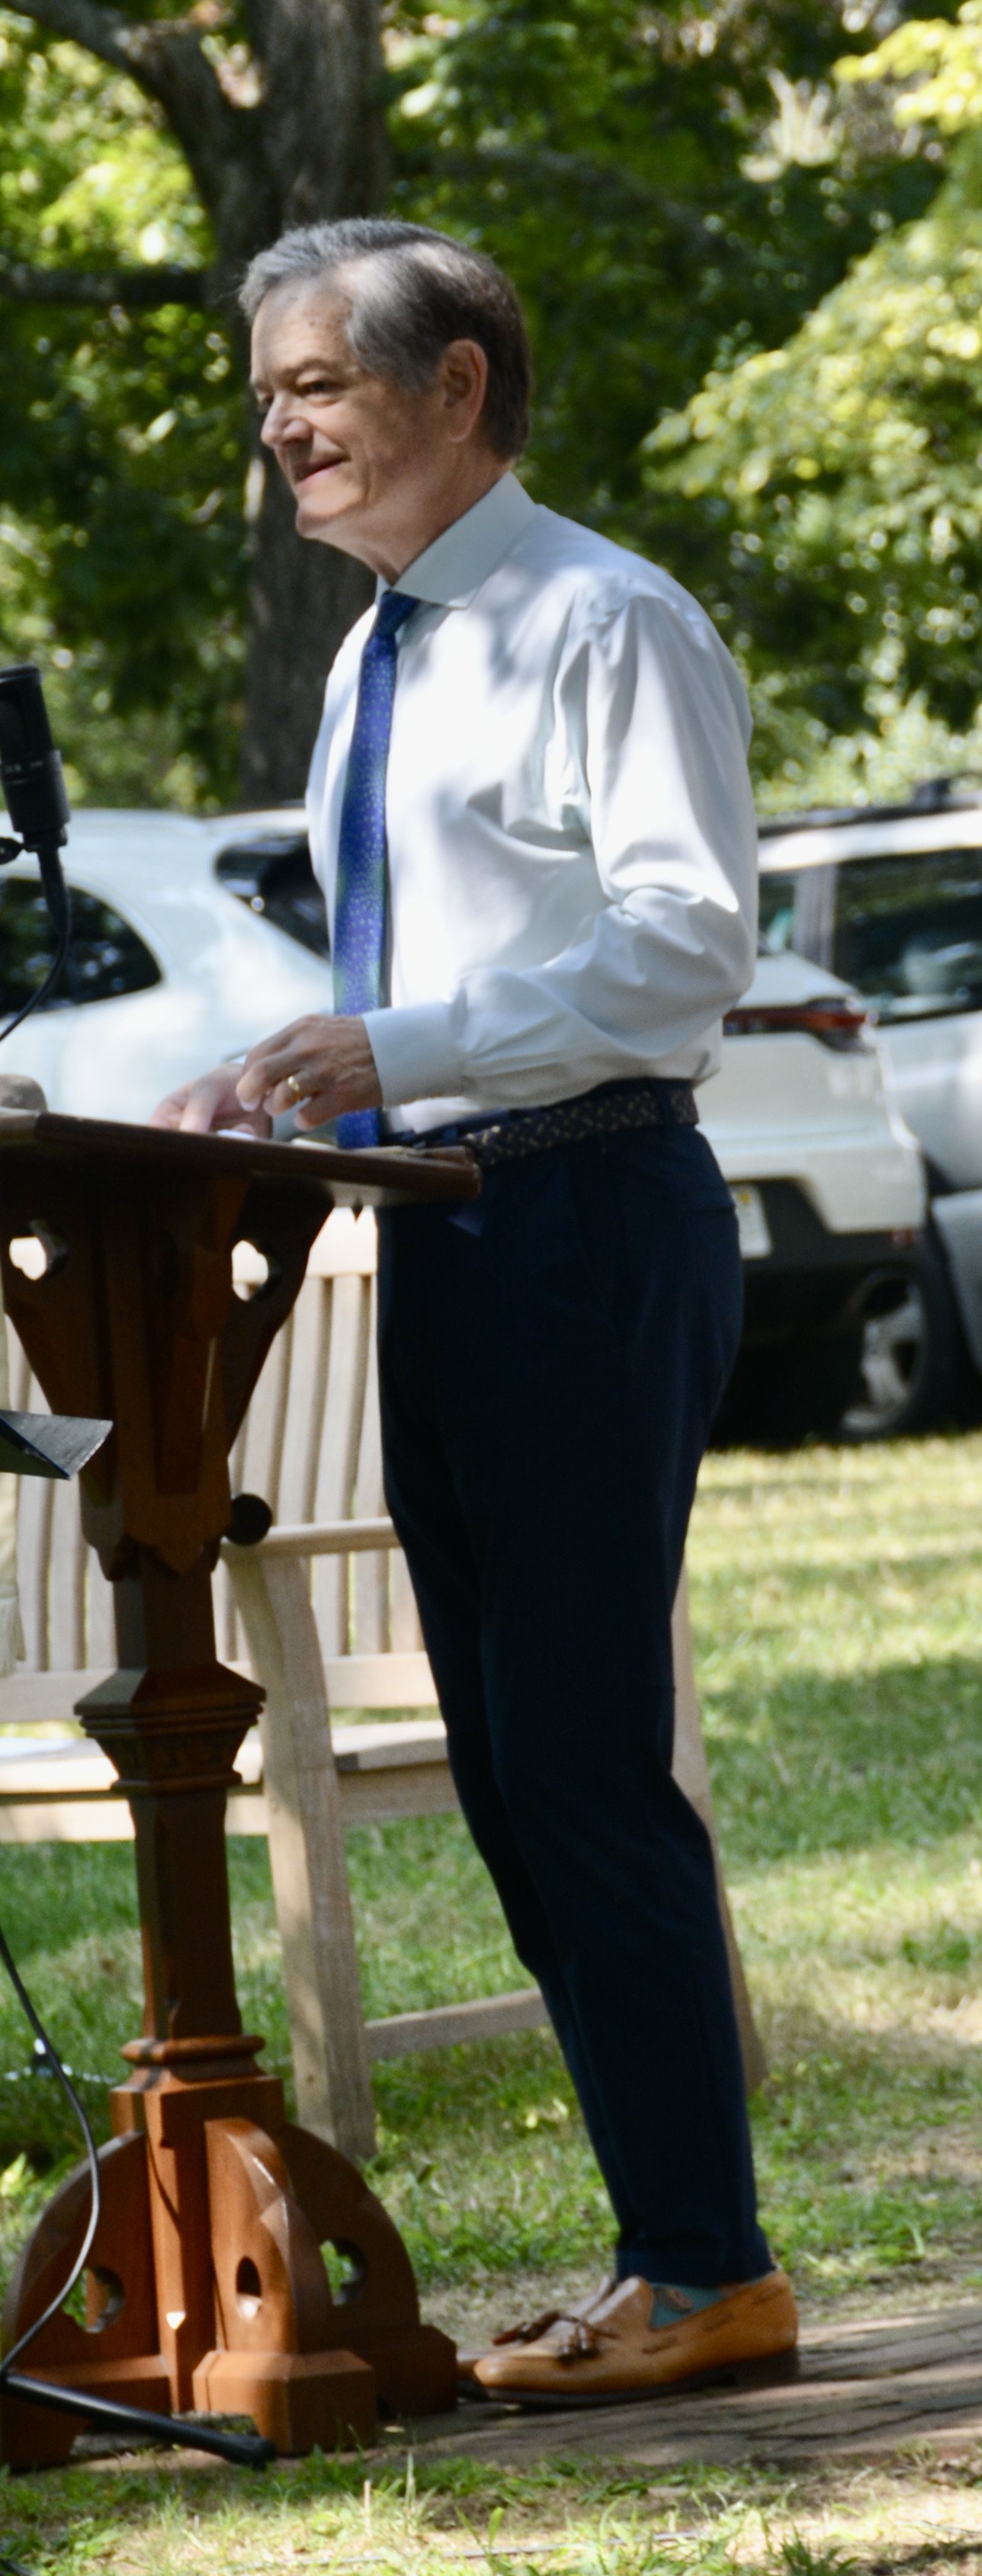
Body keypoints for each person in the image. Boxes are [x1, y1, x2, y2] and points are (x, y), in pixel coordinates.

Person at [156, 219, 796, 2406]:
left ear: (458, 388)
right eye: (267, 397)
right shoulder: (377, 660)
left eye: (319, 383)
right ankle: (674, 2255)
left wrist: (398, 1044)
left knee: (582, 1755)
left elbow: (683, 947)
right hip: (443, 1232)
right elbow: (418, 984)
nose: (284, 428)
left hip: (587, 1215)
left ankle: (709, 2271)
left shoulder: (606, 622)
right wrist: (277, 1073)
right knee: (522, 1777)